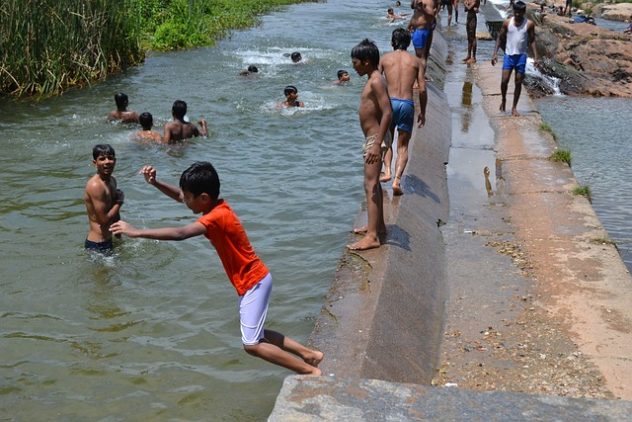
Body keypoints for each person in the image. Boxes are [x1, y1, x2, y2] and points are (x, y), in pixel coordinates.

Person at [110, 162, 323, 375]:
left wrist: (136, 232)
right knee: (257, 336)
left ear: (203, 198)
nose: (184, 200)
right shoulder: (216, 206)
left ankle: (310, 371)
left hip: (253, 282)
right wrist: (155, 183)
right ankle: (310, 355)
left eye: (188, 196)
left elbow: (181, 233)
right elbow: (180, 197)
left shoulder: (215, 217)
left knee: (252, 345)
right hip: (252, 280)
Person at [349, 39, 392, 251]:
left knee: (370, 184)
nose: (352, 66)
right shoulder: (374, 78)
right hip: (373, 138)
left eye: (355, 62)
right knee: (373, 184)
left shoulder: (376, 81)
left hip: (375, 138)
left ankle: (373, 236)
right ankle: (378, 226)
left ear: (366, 62)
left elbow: (388, 112)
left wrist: (376, 145)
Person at [378, 28, 426, 196]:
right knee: (403, 146)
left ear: (392, 42)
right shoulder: (416, 62)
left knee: (387, 140)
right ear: (409, 42)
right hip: (406, 103)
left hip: (389, 103)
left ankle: (387, 171)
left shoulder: (384, 59)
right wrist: (423, 112)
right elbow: (422, 89)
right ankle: (397, 180)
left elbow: (376, 83)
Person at [491, 0, 539, 117]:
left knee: (518, 82)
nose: (517, 14)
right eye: (516, 12)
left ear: (524, 12)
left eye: (520, 12)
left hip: (521, 56)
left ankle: (514, 107)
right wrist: (495, 53)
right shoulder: (507, 23)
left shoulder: (529, 24)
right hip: (509, 55)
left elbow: (532, 40)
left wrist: (536, 57)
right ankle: (503, 100)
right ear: (513, 11)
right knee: (504, 81)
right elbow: (500, 38)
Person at [84, 144, 124, 253]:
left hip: (108, 240)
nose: (107, 162)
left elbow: (114, 212)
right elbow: (103, 220)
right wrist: (119, 202)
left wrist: (118, 235)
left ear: (115, 161)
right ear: (95, 163)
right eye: (102, 159)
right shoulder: (95, 186)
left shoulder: (112, 180)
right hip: (97, 245)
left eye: (110, 158)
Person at [407, 0, 440, 69]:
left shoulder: (429, 1)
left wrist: (423, 9)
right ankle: (421, 75)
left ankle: (420, 76)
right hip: (417, 29)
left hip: (422, 30)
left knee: (421, 56)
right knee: (420, 55)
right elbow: (414, 10)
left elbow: (432, 15)